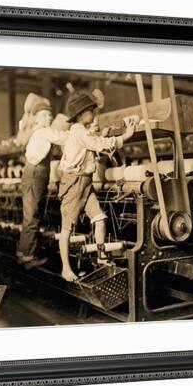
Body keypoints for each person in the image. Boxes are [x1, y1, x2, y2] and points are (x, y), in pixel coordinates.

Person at [58, 92, 135, 281]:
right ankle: (66, 268)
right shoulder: (78, 131)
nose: (93, 112)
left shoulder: (81, 130)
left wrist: (105, 134)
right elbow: (97, 144)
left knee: (100, 218)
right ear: (81, 114)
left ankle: (101, 257)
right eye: (90, 110)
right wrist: (125, 136)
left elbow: (94, 141)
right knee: (67, 228)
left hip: (85, 182)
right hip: (74, 182)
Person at [16, 102, 69, 269]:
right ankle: (28, 257)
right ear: (37, 118)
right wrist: (80, 132)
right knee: (32, 216)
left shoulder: (36, 132)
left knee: (30, 215)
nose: (49, 117)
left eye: (50, 115)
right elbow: (63, 137)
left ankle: (23, 252)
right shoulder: (44, 131)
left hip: (33, 173)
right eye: (45, 115)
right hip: (35, 174)